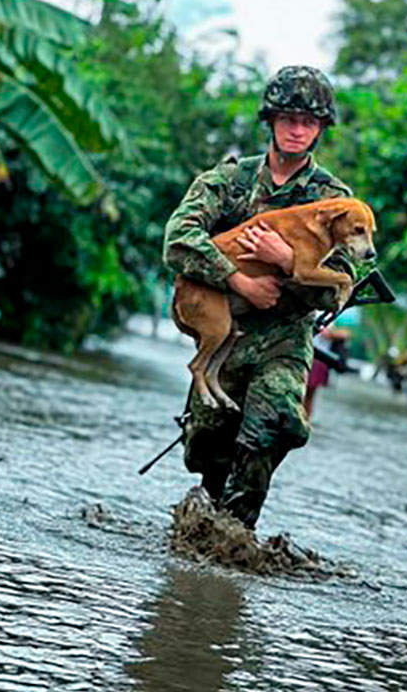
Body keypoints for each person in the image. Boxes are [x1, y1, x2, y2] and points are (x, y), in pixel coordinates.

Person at [162, 65, 354, 529]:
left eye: (308, 122)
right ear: (270, 120)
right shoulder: (230, 180)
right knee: (208, 446)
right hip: (227, 328)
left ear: (320, 129)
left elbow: (345, 279)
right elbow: (178, 240)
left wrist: (287, 260)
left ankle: (237, 535)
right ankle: (203, 535)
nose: (297, 130)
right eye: (288, 118)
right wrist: (237, 280)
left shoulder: (333, 198)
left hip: (284, 338)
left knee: (274, 424)